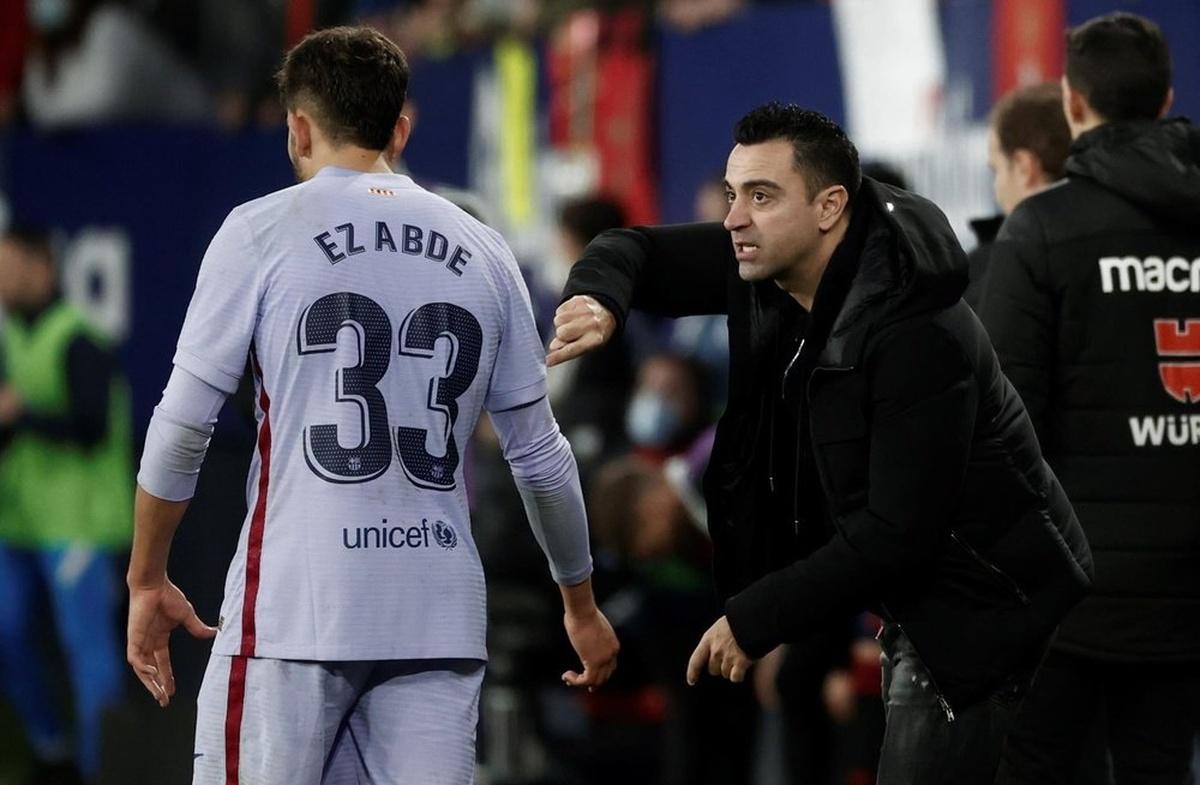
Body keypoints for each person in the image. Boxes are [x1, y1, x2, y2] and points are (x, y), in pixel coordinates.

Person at [125, 26, 618, 785]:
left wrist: (147, 577)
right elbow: (540, 457)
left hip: (297, 608)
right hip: (437, 615)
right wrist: (579, 601)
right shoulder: (485, 250)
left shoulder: (260, 231)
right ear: (401, 127)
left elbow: (182, 427)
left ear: (296, 127)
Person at [550, 102, 1092, 784]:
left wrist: (753, 619)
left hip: (999, 619)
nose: (734, 217)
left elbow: (898, 530)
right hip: (934, 611)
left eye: (762, 195)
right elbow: (635, 249)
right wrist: (598, 297)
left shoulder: (914, 328)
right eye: (731, 193)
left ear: (830, 205)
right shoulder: (772, 260)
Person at [979, 13, 1200, 785]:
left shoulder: (1042, 230)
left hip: (1069, 597)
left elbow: (1004, 429)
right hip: (1185, 595)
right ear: (1168, 99)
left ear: (1073, 105)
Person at [0, 225, 132, 784]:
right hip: (18, 519)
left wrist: (21, 414)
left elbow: (92, 426)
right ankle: (51, 749)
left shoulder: (79, 338)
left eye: (11, 266)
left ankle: (104, 769)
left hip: (79, 522)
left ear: (43, 267)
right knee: (6, 631)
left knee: (90, 656)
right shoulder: (9, 339)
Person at [965, 81, 1070, 310]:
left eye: (996, 170)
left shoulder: (987, 275)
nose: (996, 187)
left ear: (1024, 168)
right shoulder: (1116, 252)